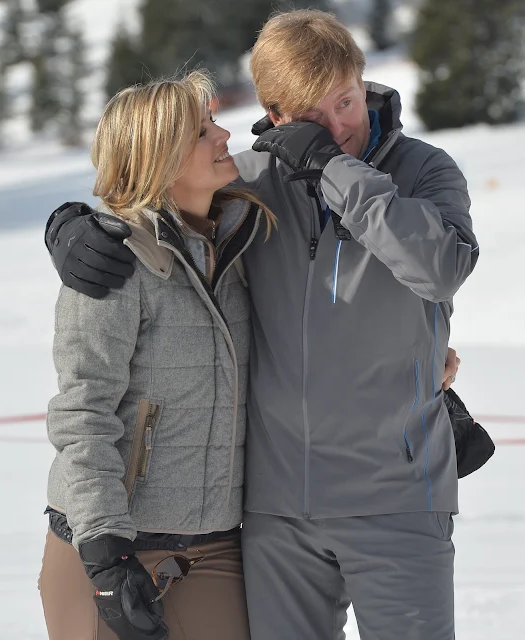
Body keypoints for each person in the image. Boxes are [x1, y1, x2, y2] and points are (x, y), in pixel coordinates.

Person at [43, 10, 477, 640]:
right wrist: (69, 226)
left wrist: (336, 169)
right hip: (275, 514)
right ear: (275, 114)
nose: (337, 128)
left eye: (347, 103)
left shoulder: (423, 171)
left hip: (396, 497)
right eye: (312, 116)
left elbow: (440, 269)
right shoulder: (246, 184)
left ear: (365, 83)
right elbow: (152, 200)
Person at [38, 71, 275, 640]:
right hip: (108, 547)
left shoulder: (241, 243)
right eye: (201, 131)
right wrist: (105, 555)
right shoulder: (114, 264)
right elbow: (83, 415)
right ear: (157, 156)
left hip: (214, 545)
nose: (223, 136)